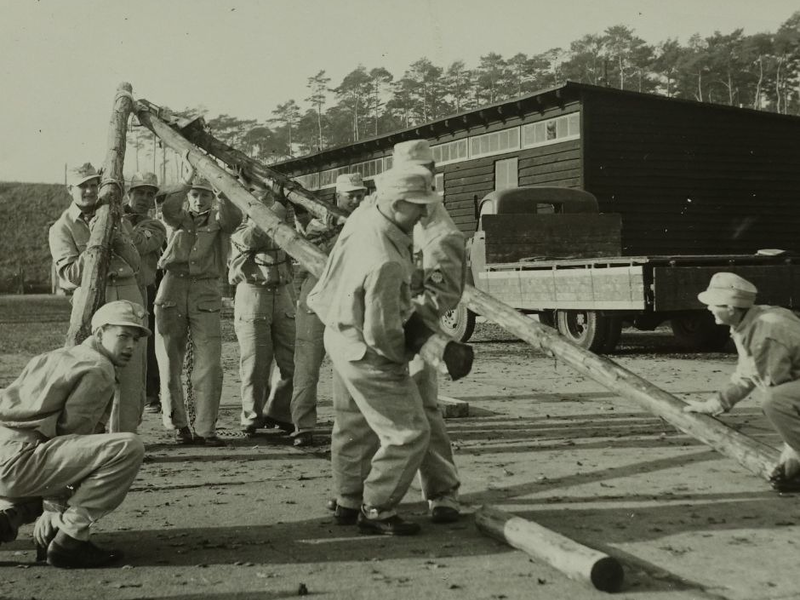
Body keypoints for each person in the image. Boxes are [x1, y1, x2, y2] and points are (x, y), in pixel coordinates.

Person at [326, 140, 465, 527]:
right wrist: (406, 347)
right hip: (384, 330)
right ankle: (360, 501)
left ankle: (440, 494)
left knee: (412, 413)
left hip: (399, 323)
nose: (422, 210)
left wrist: (421, 330)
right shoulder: (373, 222)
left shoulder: (437, 229)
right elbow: (381, 320)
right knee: (403, 424)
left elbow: (444, 291)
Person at [307, 165, 442, 535]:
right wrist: (408, 357)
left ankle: (348, 501)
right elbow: (382, 333)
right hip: (364, 345)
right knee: (409, 431)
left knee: (352, 425)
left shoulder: (366, 213)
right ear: (397, 203)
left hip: (337, 331)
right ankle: (378, 507)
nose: (424, 214)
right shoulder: (384, 260)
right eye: (418, 206)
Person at [0, 300, 147, 568]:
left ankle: (5, 518)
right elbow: (71, 436)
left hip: (7, 457)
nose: (131, 346)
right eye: (123, 336)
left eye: (135, 339)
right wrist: (53, 506)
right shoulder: (99, 368)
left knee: (47, 462)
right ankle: (71, 539)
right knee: (128, 448)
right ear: (100, 333)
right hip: (18, 463)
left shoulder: (57, 355)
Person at [49, 163, 147, 433]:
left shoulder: (115, 216)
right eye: (83, 186)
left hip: (126, 291)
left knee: (130, 369)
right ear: (71, 190)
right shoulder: (62, 227)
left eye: (94, 184)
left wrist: (114, 232)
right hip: (92, 298)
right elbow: (70, 275)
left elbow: (136, 262)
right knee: (90, 368)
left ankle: (125, 436)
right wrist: (96, 239)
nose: (90, 191)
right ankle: (86, 435)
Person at [684, 272, 800, 492]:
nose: (708, 309)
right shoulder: (751, 320)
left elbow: (777, 389)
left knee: (775, 401)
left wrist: (792, 454)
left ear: (730, 308)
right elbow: (745, 376)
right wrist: (713, 405)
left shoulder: (765, 332)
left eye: (714, 305)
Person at [155, 172, 241, 445]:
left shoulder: (219, 220)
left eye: (205, 195)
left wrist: (222, 191)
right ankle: (178, 423)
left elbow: (233, 218)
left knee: (210, 362)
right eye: (195, 195)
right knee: (170, 359)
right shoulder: (177, 218)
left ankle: (205, 428)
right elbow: (168, 209)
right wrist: (185, 184)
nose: (200, 200)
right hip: (173, 287)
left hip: (205, 288)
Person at [289, 173, 367, 447]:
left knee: (350, 363)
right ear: (337, 197)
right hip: (317, 294)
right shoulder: (320, 225)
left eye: (360, 195)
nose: (356, 201)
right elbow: (307, 236)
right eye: (350, 196)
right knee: (307, 364)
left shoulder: (368, 222)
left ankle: (350, 425)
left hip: (350, 297)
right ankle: (302, 426)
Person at [229, 194, 296, 437]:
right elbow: (251, 239)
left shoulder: (285, 230)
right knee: (255, 361)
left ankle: (278, 411)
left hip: (283, 293)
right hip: (253, 294)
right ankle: (252, 416)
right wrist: (275, 209)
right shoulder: (242, 231)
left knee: (290, 359)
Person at [123, 172, 167, 414]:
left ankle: (150, 393)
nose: (144, 198)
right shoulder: (113, 216)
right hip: (113, 286)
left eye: (149, 194)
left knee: (145, 342)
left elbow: (139, 245)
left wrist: (121, 222)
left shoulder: (154, 225)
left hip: (142, 288)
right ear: (129, 194)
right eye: (139, 192)